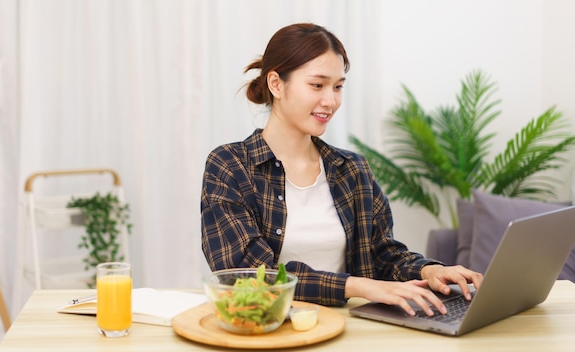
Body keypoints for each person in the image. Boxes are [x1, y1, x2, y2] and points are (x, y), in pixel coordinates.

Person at [200, 23, 483, 316]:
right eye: (317, 85)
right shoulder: (230, 166)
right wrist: (357, 286)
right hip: (266, 328)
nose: (331, 101)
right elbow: (248, 272)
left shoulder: (351, 169)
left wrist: (428, 270)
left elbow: (383, 255)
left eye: (338, 87)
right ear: (276, 84)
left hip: (349, 330)